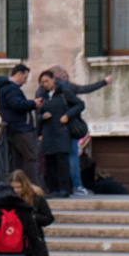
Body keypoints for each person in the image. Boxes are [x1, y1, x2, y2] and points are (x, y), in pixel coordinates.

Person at [50, 66, 108, 195]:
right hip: (69, 128)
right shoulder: (66, 87)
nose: (67, 75)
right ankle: (76, 186)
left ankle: (60, 188)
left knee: (57, 159)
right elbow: (84, 90)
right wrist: (104, 81)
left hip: (53, 130)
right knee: (72, 156)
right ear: (56, 76)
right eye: (63, 72)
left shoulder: (43, 91)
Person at [0, 63, 45, 185]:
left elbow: (17, 104)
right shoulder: (11, 89)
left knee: (20, 160)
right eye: (25, 77)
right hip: (21, 129)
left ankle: (20, 186)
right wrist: (34, 104)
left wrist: (31, 103)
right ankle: (31, 187)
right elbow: (17, 105)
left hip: (15, 128)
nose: (25, 81)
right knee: (30, 157)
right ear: (19, 74)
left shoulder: (6, 88)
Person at [35, 69, 75, 197]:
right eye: (42, 82)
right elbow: (37, 115)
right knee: (50, 162)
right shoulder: (42, 97)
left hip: (62, 132)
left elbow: (79, 105)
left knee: (62, 162)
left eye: (47, 81)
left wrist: (68, 115)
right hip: (48, 133)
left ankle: (65, 188)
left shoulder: (64, 93)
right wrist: (42, 117)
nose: (45, 84)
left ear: (53, 80)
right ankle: (53, 189)